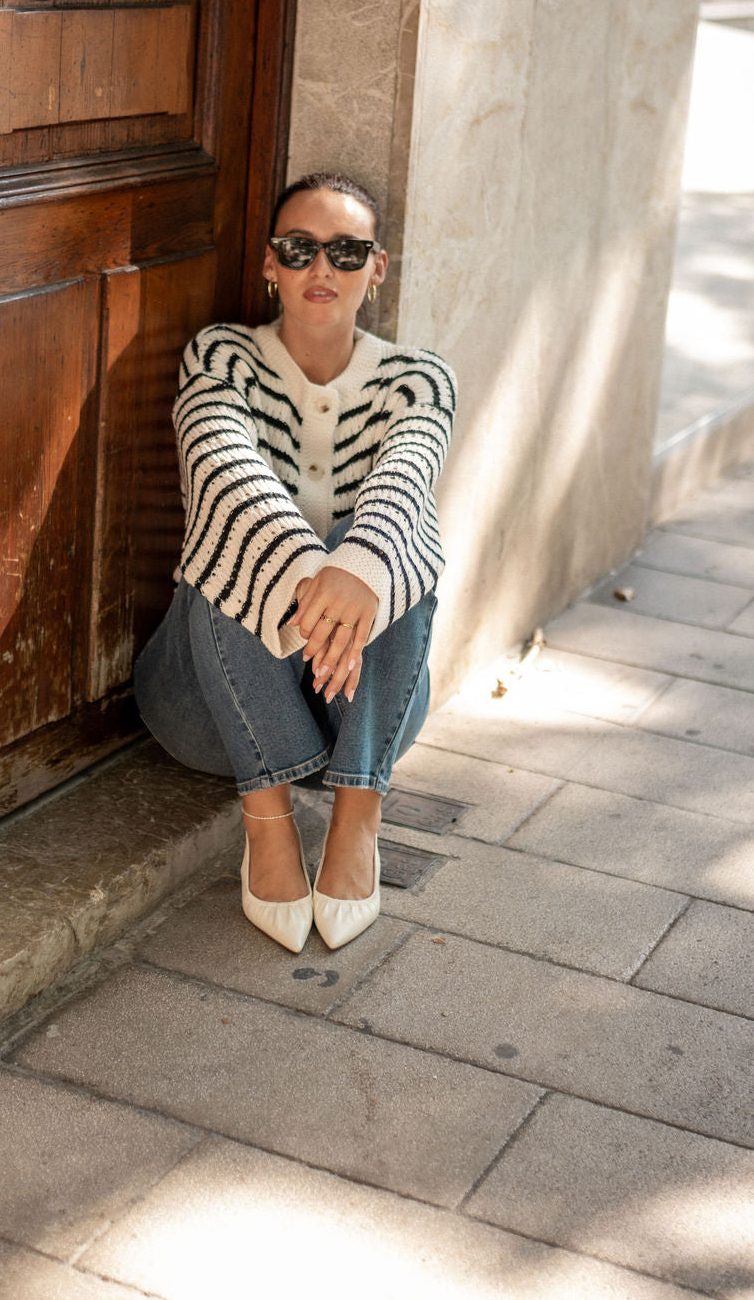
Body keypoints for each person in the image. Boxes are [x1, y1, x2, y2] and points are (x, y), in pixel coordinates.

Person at [133, 171, 457, 953]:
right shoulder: (221, 356)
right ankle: (268, 820)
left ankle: (356, 815)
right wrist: (323, 578)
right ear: (270, 264)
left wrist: (363, 568)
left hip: (361, 713)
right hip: (203, 709)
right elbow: (224, 470)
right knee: (235, 534)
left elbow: (407, 475)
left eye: (346, 252)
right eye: (300, 248)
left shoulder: (418, 379)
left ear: (377, 268)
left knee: (394, 538)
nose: (323, 269)